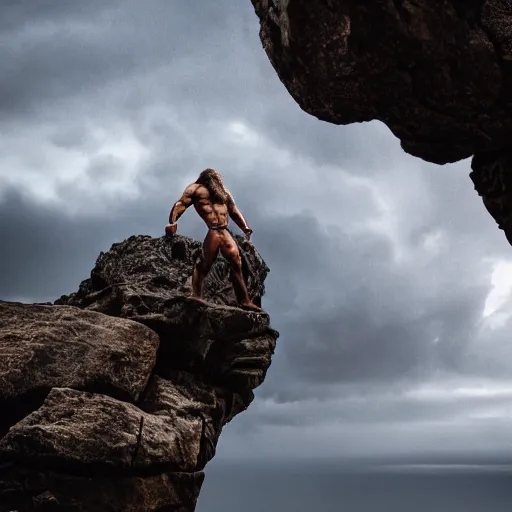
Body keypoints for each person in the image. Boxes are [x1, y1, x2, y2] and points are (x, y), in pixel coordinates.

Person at [165, 168, 262, 311]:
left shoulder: (223, 193)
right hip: (213, 232)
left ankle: (244, 300)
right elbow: (181, 204)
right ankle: (196, 295)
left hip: (224, 231)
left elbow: (234, 211)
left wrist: (245, 228)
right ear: (206, 177)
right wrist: (172, 222)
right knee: (205, 263)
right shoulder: (195, 189)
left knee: (236, 262)